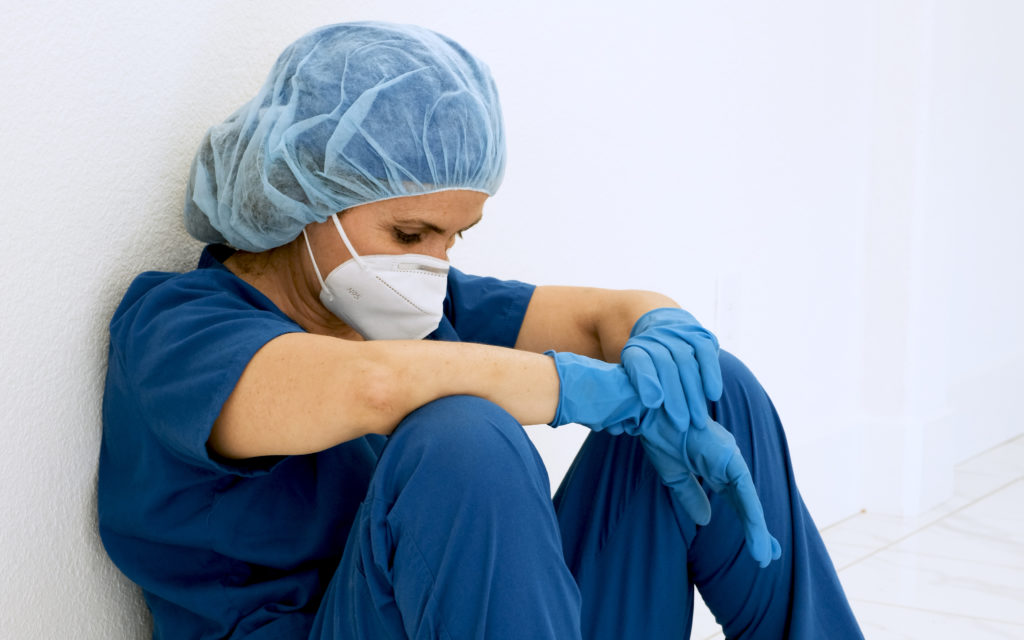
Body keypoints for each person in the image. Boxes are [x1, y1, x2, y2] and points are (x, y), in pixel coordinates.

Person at [98, 21, 864, 640]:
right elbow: (375, 385)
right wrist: (584, 392)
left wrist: (661, 327)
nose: (433, 265)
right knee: (462, 435)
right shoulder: (177, 331)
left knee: (710, 388)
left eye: (452, 238)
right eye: (409, 233)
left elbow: (604, 316)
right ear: (306, 191)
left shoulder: (411, 309)